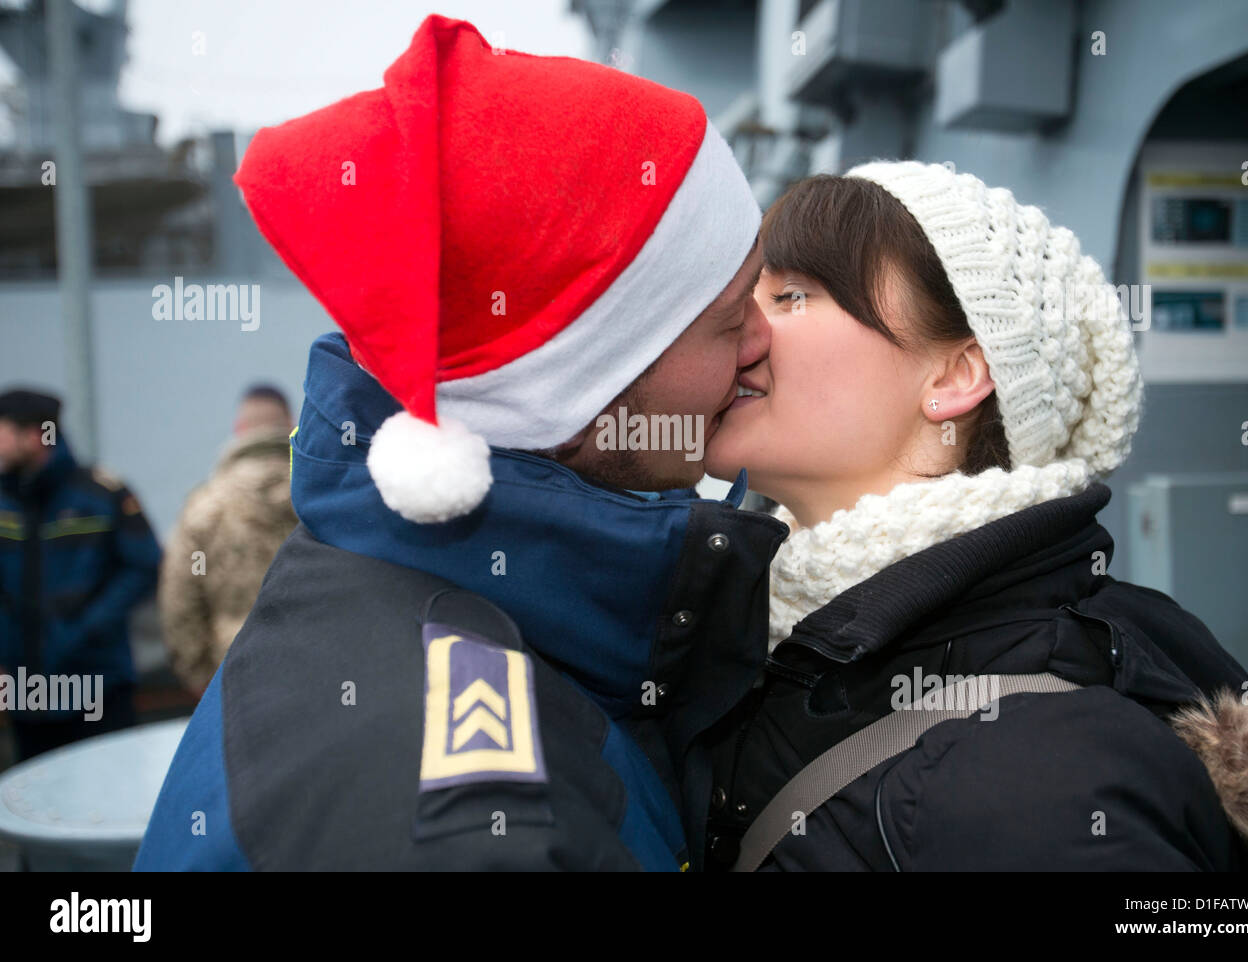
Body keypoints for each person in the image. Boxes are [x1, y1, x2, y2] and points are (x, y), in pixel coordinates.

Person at [134, 15, 787, 871]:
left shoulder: (401, 595)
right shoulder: (474, 824)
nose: (763, 344)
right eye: (731, 317)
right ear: (578, 386)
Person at [703, 166, 1248, 872]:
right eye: (752, 290)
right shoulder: (768, 633)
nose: (743, 321)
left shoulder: (1044, 772)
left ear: (956, 377)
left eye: (793, 294)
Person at [0, 388, 161, 762]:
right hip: (27, 692)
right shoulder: (4, 501)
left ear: (34, 437)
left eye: (3, 433)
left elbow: (143, 566)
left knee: (106, 794)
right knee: (36, 801)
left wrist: (85, 628)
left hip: (98, 685)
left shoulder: (100, 495)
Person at [158, 384, 297, 697]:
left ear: (240, 429)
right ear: (291, 424)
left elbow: (179, 601)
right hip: (314, 671)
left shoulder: (206, 506)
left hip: (235, 675)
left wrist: (201, 678)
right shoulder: (320, 496)